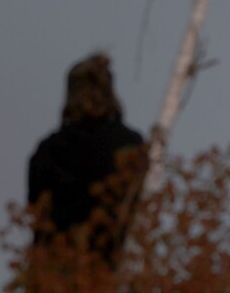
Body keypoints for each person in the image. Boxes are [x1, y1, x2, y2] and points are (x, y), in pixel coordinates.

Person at [27, 52, 147, 268]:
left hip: (56, 272)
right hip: (112, 266)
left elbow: (37, 213)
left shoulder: (48, 151)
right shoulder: (129, 145)